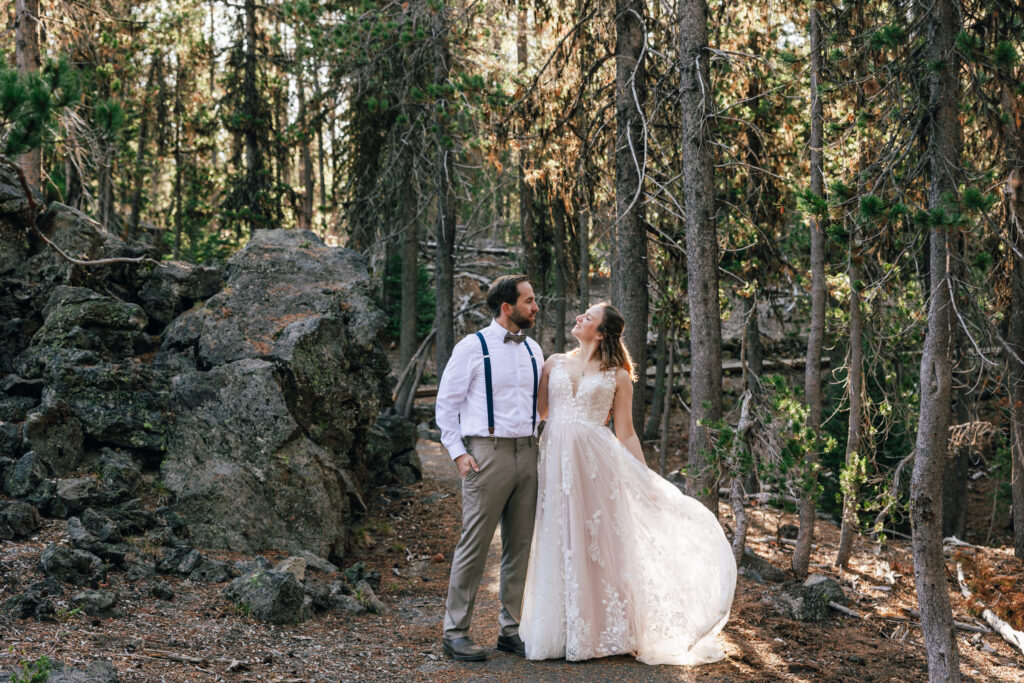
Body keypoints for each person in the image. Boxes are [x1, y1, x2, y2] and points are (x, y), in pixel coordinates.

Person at [519, 303, 736, 665]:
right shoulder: (554, 362)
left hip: (596, 469)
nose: (579, 318)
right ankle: (563, 629)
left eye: (587, 317)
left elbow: (626, 432)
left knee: (599, 545)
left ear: (601, 332)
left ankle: (610, 631)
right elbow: (540, 414)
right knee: (560, 538)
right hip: (556, 463)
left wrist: (645, 479)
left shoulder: (617, 375)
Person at [435, 274, 544, 661]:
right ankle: (455, 632)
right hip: (487, 453)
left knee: (520, 546)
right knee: (475, 545)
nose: (535, 307)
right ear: (507, 307)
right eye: (529, 301)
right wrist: (457, 452)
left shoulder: (535, 350)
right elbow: (446, 404)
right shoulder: (472, 347)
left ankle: (511, 630)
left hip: (529, 454)